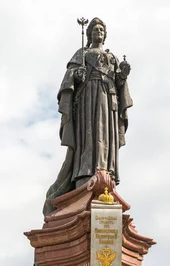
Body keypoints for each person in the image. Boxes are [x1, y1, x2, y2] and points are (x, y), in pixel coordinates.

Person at [43, 17, 133, 215]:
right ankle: (84, 174)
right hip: (86, 101)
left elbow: (120, 84)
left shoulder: (112, 58)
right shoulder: (82, 54)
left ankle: (105, 172)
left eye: (101, 29)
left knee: (105, 138)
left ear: (105, 34)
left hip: (108, 102)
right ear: (90, 33)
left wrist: (123, 76)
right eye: (95, 29)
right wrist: (77, 75)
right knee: (89, 137)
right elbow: (69, 77)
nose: (98, 32)